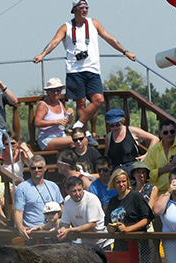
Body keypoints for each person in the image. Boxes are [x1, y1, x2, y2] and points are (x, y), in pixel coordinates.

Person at [33, 0, 136, 139]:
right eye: (82, 8)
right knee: (80, 103)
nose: (85, 10)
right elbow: (54, 42)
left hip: (92, 69)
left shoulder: (94, 23)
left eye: (87, 7)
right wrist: (42, 54)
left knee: (98, 100)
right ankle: (85, 133)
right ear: (75, 10)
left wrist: (125, 52)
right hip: (74, 70)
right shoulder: (66, 26)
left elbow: (110, 38)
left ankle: (78, 125)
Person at [14, 155, 64, 242]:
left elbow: (61, 207)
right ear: (29, 169)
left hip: (52, 233)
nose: (36, 170)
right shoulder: (22, 187)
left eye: (39, 168)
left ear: (45, 168)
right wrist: (20, 227)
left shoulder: (53, 186)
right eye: (33, 168)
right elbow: (18, 211)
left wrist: (59, 220)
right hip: (34, 234)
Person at [105, 169, 154, 252]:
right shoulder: (113, 201)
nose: (121, 184)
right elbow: (107, 223)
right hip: (119, 245)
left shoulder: (136, 196)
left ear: (127, 181)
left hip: (138, 244)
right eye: (118, 182)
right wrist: (110, 228)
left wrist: (128, 229)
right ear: (114, 183)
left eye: (123, 181)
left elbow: (146, 219)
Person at [58, 176, 112, 249]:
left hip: (103, 242)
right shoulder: (67, 201)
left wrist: (70, 230)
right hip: (86, 243)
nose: (77, 193)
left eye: (79, 190)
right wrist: (62, 229)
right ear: (67, 191)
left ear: (83, 187)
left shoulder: (91, 199)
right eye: (74, 191)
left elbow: (91, 225)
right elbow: (65, 223)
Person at [103, 109, 159, 173]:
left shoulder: (132, 131)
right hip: (116, 170)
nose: (115, 128)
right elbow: (106, 155)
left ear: (123, 121)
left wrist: (147, 155)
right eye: (112, 126)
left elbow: (155, 139)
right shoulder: (109, 137)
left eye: (118, 124)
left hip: (132, 169)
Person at [144, 119, 176, 194]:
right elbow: (147, 174)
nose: (169, 134)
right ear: (160, 134)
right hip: (160, 193)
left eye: (172, 131)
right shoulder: (153, 150)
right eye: (165, 132)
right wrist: (164, 169)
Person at [35, 77, 75, 151]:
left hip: (61, 135)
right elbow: (37, 122)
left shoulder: (60, 104)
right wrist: (55, 122)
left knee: (82, 139)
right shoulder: (43, 105)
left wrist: (71, 114)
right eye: (53, 90)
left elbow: (67, 122)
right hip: (47, 138)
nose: (56, 93)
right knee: (73, 140)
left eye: (58, 90)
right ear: (48, 92)